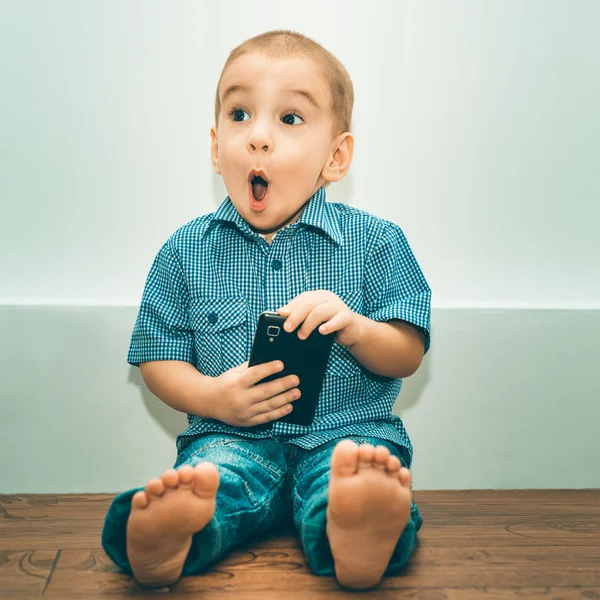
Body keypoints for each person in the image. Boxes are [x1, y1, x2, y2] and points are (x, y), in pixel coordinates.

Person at [102, 29, 431, 591]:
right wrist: (211, 398)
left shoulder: (378, 244)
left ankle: (355, 530)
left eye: (290, 119)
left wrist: (354, 326)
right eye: (239, 114)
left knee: (348, 476)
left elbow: (407, 353)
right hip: (231, 438)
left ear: (336, 157)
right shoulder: (183, 252)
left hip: (345, 434)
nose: (257, 137)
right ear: (214, 147)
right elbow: (158, 359)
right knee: (214, 480)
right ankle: (171, 542)